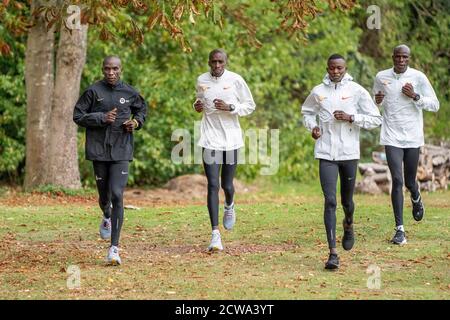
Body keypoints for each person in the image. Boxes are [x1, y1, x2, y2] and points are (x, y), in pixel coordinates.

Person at [301, 54, 382, 270]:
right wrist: (313, 128)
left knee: (347, 202)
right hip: (326, 153)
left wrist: (351, 117)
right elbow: (306, 113)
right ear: (327, 69)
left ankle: (349, 223)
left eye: (339, 68)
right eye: (331, 68)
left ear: (345, 68)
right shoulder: (318, 91)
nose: (335, 72)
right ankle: (332, 253)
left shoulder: (356, 90)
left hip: (349, 154)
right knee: (330, 201)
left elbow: (376, 118)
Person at [73, 56, 147, 265]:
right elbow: (77, 116)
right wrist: (101, 118)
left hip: (122, 150)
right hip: (99, 151)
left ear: (120, 69)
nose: (111, 72)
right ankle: (106, 215)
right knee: (105, 198)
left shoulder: (130, 92)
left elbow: (141, 110)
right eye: (107, 69)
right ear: (102, 69)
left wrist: (136, 122)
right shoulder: (93, 92)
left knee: (117, 195)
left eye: (115, 69)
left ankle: (114, 248)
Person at [373, 45, 439, 245]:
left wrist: (415, 96)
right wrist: (377, 101)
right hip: (391, 136)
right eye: (398, 56)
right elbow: (373, 102)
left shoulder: (418, 77)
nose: (401, 60)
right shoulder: (381, 77)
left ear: (409, 59)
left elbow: (435, 105)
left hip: (412, 137)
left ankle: (416, 197)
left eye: (405, 57)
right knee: (397, 180)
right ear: (392, 57)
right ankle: (400, 229)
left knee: (410, 182)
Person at [193, 49, 256, 252]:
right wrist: (197, 105)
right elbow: (199, 99)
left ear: (226, 62)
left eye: (220, 62)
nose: (217, 66)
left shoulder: (236, 80)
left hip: (231, 140)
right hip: (209, 138)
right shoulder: (202, 79)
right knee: (212, 184)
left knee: (226, 185)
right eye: (213, 62)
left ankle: (229, 205)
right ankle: (215, 234)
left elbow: (249, 106)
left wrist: (230, 107)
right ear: (209, 62)